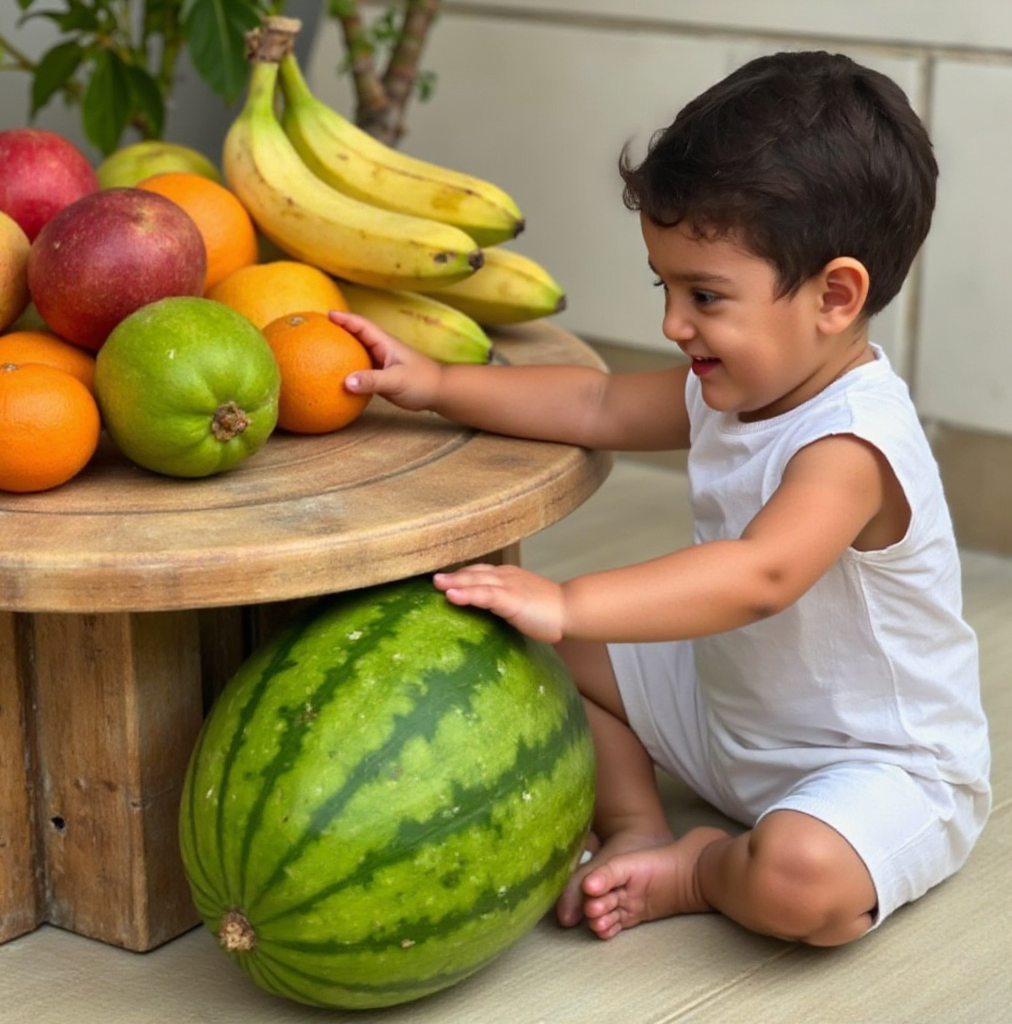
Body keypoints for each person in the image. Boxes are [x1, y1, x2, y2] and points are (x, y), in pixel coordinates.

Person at [331, 50, 991, 947]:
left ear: (835, 296)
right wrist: (438, 382)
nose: (673, 324)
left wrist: (569, 600)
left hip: (875, 768)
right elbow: (595, 403)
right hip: (728, 713)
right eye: (666, 286)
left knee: (801, 882)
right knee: (531, 651)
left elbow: (759, 574)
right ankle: (636, 822)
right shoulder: (741, 382)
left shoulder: (851, 444)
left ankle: (700, 868)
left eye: (705, 296)